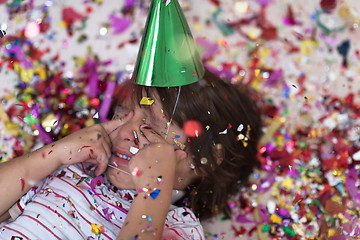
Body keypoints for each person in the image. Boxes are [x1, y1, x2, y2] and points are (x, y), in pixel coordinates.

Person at [0, 68, 261, 239]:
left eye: (153, 128)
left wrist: (153, 189)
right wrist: (55, 153)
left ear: (205, 161)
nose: (126, 130)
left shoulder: (181, 228)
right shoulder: (70, 170)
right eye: (123, 114)